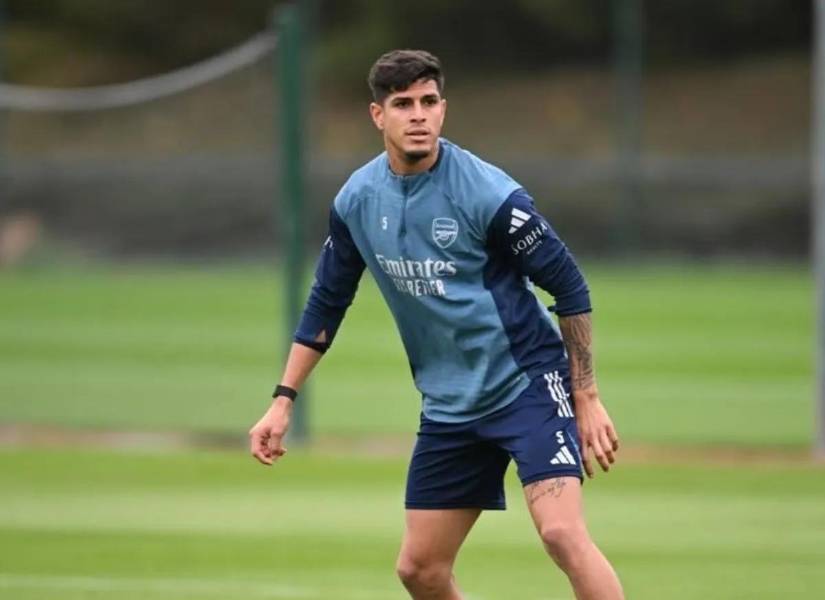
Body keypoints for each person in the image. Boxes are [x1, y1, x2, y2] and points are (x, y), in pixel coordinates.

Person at [249, 49, 624, 600]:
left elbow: (569, 286)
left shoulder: (489, 195)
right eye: (403, 104)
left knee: (563, 534)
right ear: (379, 116)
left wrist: (585, 394)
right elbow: (327, 301)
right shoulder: (358, 200)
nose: (418, 114)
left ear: (443, 111)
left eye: (428, 102)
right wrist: (283, 400)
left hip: (527, 386)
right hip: (451, 406)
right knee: (420, 569)